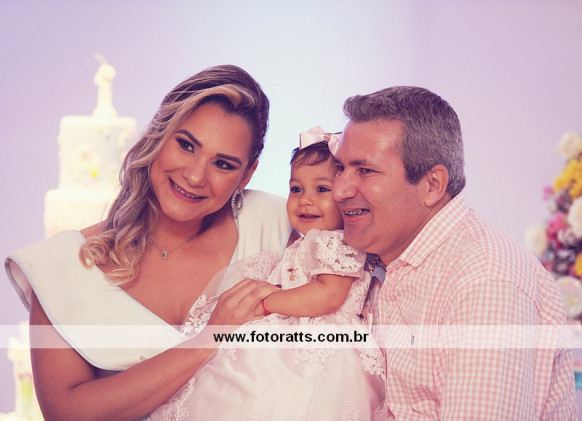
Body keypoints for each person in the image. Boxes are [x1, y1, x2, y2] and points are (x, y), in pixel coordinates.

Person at [5, 64, 295, 420]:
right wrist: (208, 339)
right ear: (159, 134)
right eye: (186, 145)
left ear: (247, 173)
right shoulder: (60, 269)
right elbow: (66, 414)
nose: (195, 176)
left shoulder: (276, 223)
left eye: (222, 164)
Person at [331, 86, 578, 420]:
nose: (339, 190)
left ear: (432, 185)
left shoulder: (486, 281)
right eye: (340, 168)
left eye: (365, 170)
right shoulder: (366, 256)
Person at [151, 127, 387, 421]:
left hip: (320, 347)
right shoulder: (305, 243)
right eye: (296, 189)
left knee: (289, 400)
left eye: (322, 190)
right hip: (287, 334)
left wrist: (266, 302)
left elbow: (328, 295)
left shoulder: (336, 243)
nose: (305, 199)